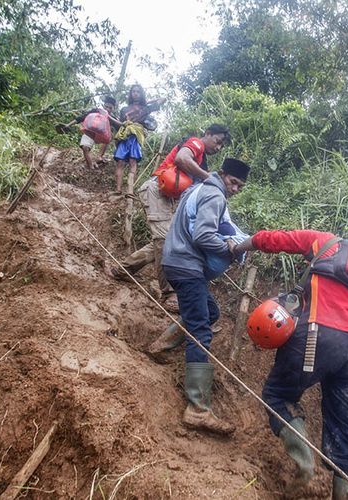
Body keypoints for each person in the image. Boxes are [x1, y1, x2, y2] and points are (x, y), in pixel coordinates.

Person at [232, 230, 348, 499]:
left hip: (318, 333)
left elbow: (272, 239)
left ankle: (304, 463)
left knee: (278, 395)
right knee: (347, 435)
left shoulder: (322, 241)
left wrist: (238, 248)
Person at [160, 158, 250, 435]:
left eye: (240, 186)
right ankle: (197, 409)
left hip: (175, 261)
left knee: (210, 313)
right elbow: (203, 235)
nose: (235, 189)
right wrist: (231, 248)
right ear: (222, 175)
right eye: (233, 182)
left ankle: (162, 345)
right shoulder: (214, 194)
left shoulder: (197, 188)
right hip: (187, 265)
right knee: (201, 330)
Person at [105, 124, 231, 313]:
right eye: (217, 141)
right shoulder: (196, 144)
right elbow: (181, 158)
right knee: (163, 240)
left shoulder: (201, 159)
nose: (218, 147)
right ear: (208, 134)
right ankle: (169, 293)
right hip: (158, 190)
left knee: (166, 240)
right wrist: (210, 178)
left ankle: (122, 270)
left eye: (222, 145)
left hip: (169, 198)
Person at [113, 84, 166, 195]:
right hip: (124, 136)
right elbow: (120, 125)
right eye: (133, 91)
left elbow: (163, 99)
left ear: (141, 94)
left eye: (138, 92)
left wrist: (147, 101)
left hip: (136, 137)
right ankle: (118, 190)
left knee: (133, 161)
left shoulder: (145, 108)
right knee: (120, 162)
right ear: (130, 94)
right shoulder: (124, 109)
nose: (135, 94)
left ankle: (129, 191)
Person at [56, 95, 121, 169]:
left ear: (113, 109)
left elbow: (120, 128)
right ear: (103, 105)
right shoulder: (95, 111)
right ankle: (91, 166)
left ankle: (99, 156)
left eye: (110, 108)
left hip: (103, 137)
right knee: (85, 147)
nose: (108, 109)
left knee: (110, 135)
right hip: (90, 132)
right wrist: (68, 125)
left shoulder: (112, 118)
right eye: (106, 107)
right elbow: (81, 118)